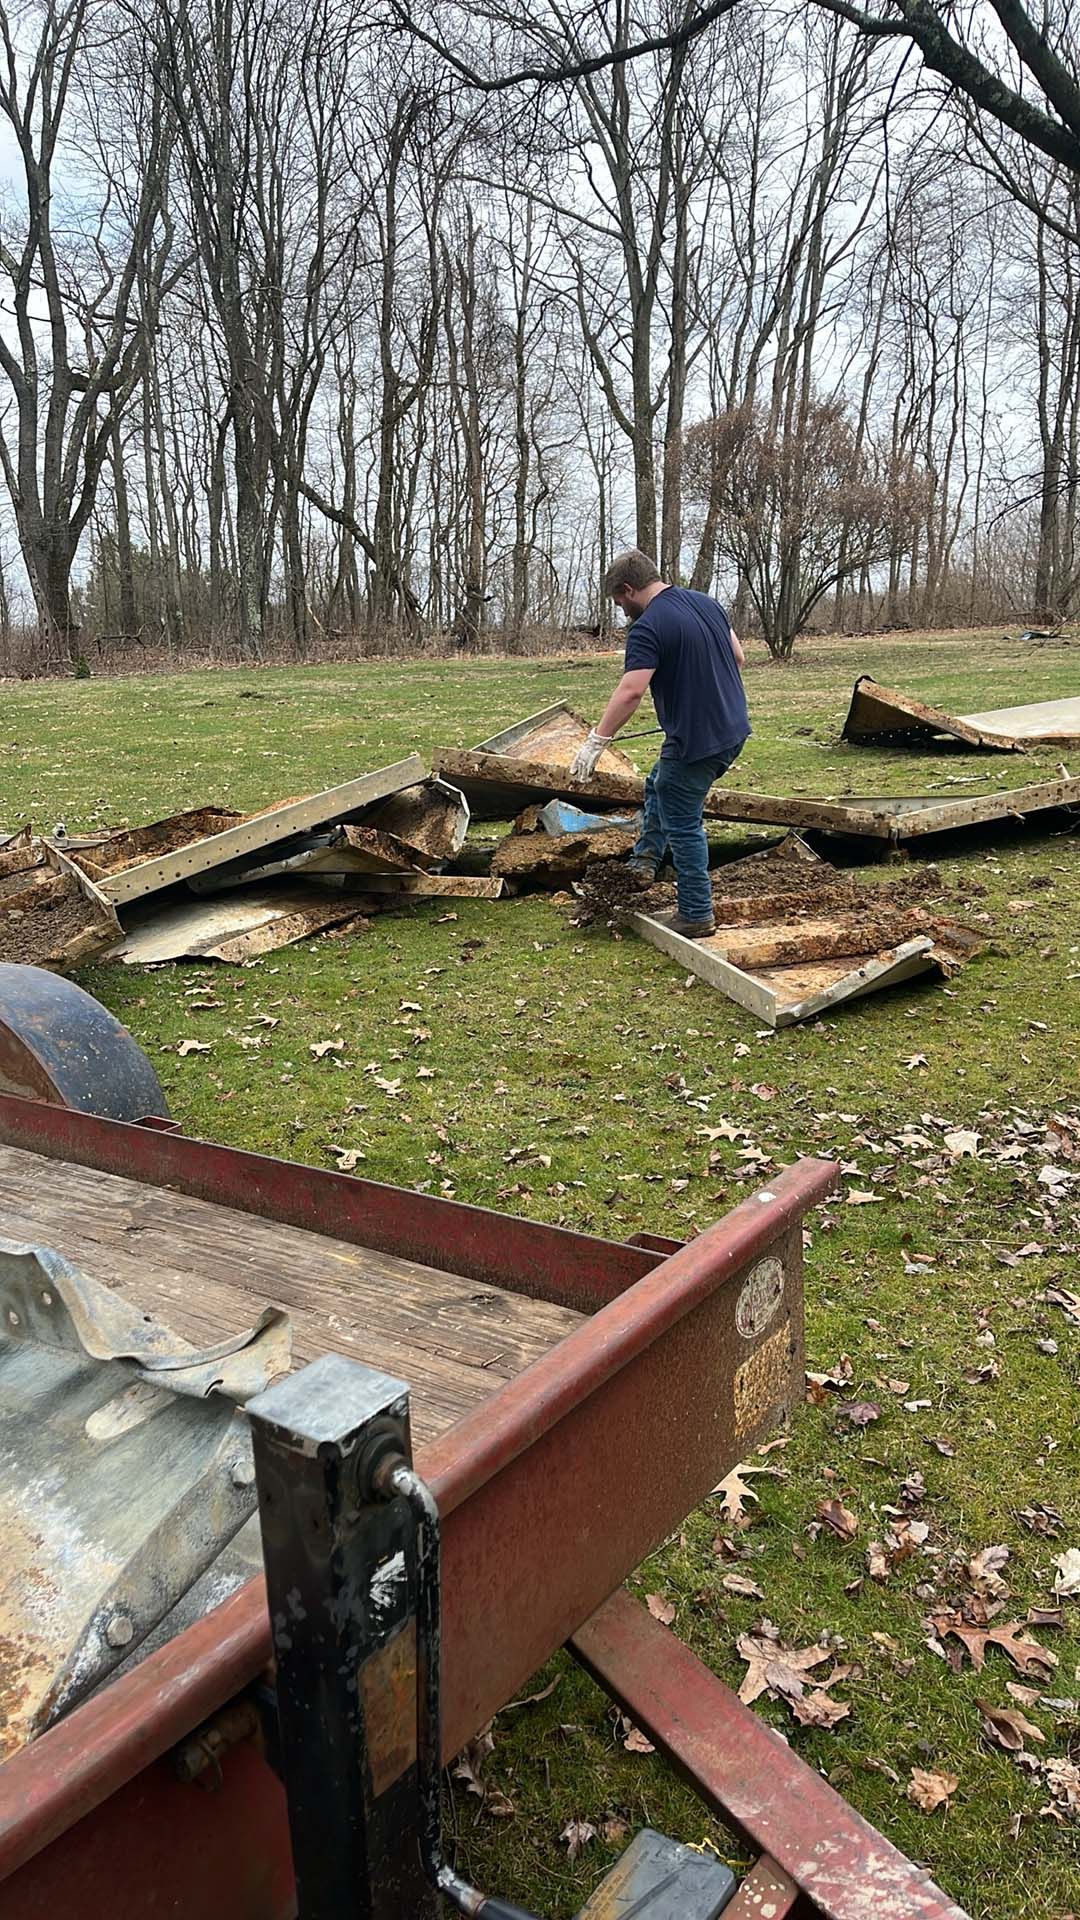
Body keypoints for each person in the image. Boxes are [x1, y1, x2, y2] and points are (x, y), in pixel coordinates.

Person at [570, 549, 750, 938]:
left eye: (619, 601)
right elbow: (737, 656)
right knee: (660, 783)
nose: (621, 610)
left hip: (697, 740)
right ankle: (643, 864)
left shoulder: (648, 626)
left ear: (629, 589)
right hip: (732, 728)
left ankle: (697, 913)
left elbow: (631, 691)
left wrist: (596, 741)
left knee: (682, 818)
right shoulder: (706, 602)